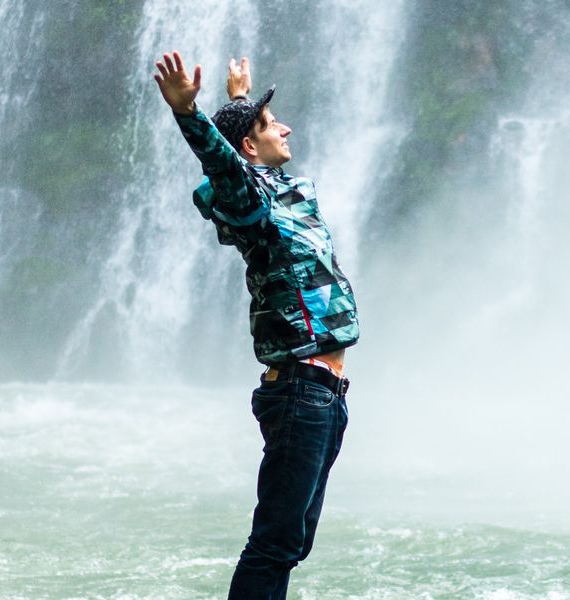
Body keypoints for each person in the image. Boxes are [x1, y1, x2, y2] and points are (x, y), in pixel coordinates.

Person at [153, 50, 360, 599]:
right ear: (249, 145)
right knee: (274, 543)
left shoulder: (282, 192)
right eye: (271, 125)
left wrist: (241, 104)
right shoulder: (252, 207)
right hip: (300, 390)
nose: (286, 126)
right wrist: (189, 115)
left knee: (292, 542)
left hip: (326, 391)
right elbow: (226, 170)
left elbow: (239, 160)